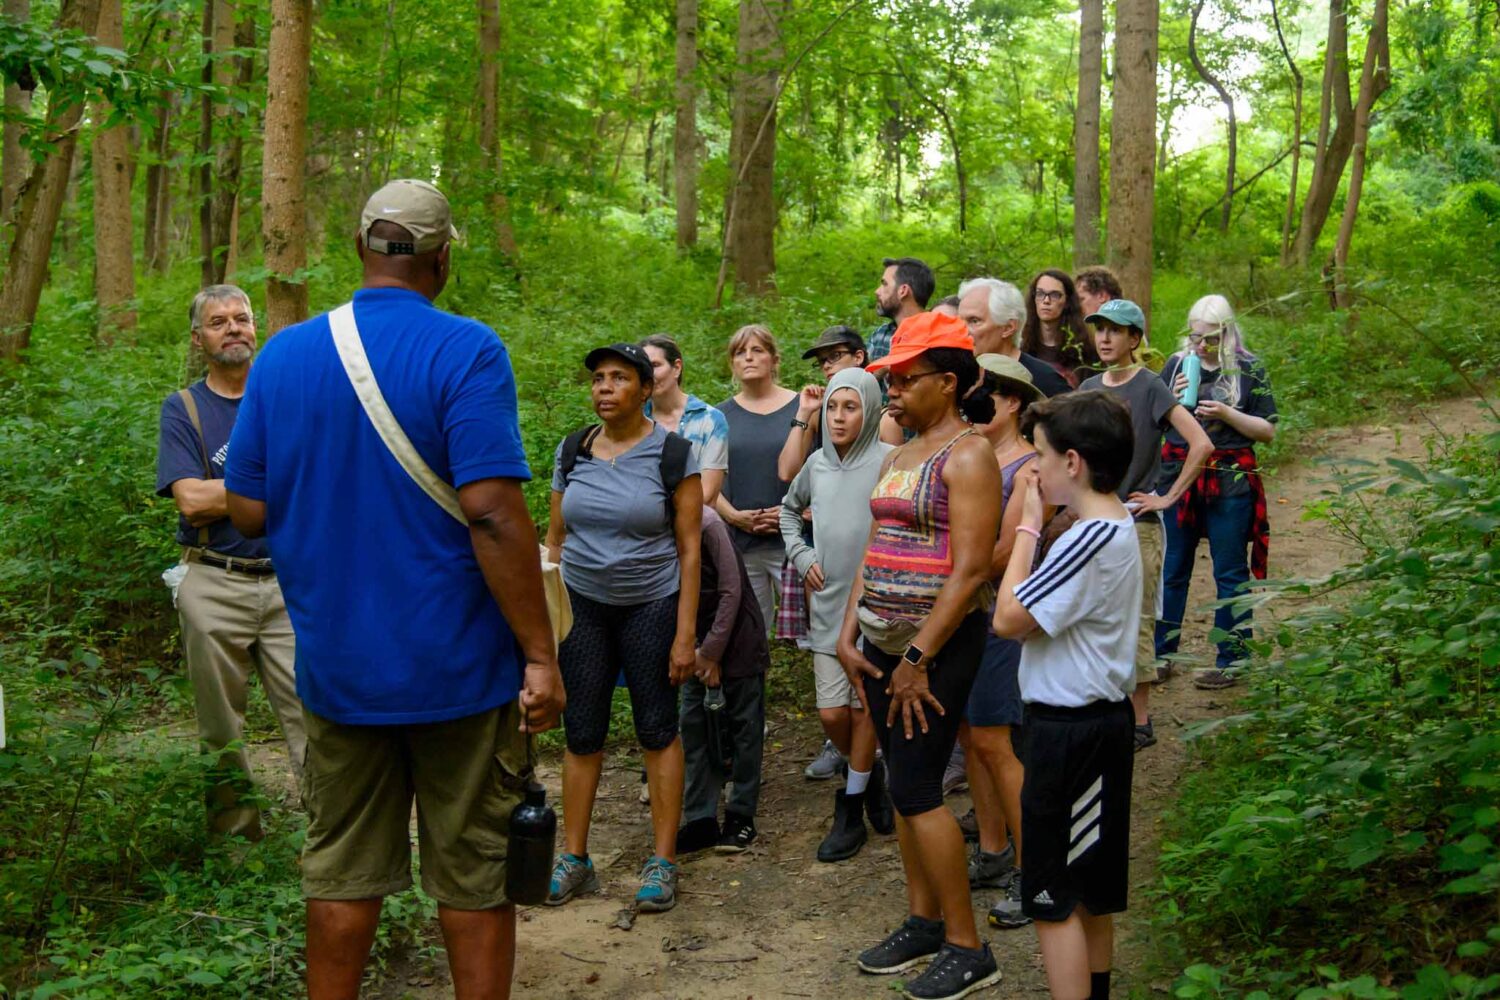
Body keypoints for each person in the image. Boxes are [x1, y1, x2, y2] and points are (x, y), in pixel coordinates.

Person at [224, 179, 565, 1000]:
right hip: (461, 672)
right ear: (443, 258)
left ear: (359, 251)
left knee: (341, 876)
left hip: (339, 675)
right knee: (475, 882)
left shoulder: (284, 355)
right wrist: (540, 655)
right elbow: (491, 514)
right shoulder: (466, 351)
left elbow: (245, 510)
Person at [840, 312, 1004, 999]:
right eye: (891, 380)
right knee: (906, 789)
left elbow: (969, 574)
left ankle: (970, 948)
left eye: (907, 380)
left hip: (932, 650)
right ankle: (923, 921)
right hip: (880, 646)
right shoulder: (898, 451)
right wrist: (849, 629)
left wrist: (916, 656)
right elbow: (873, 547)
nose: (895, 391)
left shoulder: (969, 454)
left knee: (915, 790)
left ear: (949, 381)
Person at [991, 390, 1143, 1000]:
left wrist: (1027, 524)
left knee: (1054, 897)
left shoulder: (1086, 538)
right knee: (1091, 888)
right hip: (1098, 725)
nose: (1036, 467)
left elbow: (1007, 617)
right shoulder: (1114, 522)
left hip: (1069, 733)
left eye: (1043, 454)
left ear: (1074, 462)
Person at [544, 342, 703, 912]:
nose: (604, 388)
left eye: (618, 378)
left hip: (651, 604)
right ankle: (574, 857)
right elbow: (555, 541)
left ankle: (662, 861)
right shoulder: (573, 449)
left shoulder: (674, 454)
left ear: (644, 389)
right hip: (583, 605)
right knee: (581, 731)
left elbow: (690, 549)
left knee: (657, 728)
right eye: (597, 379)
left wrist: (686, 635)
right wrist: (543, 625)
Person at [157, 284, 305, 841]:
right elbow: (190, 500)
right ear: (199, 340)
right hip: (213, 580)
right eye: (218, 322)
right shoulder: (185, 408)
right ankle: (236, 846)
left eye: (241, 318)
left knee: (314, 714)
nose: (234, 328)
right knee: (221, 728)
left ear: (256, 329)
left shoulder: (288, 399)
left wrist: (230, 490)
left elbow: (319, 479)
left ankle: (334, 839)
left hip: (291, 582)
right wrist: (273, 485)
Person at [1078, 300, 1212, 752]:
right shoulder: (1089, 386)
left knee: (1137, 617)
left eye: (1116, 331)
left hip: (1137, 523)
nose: (1105, 338)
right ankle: (1102, 707)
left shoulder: (1151, 387)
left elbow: (1200, 443)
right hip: (1090, 521)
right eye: (1100, 329)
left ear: (1135, 339)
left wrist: (1166, 497)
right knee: (1094, 616)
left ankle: (1140, 720)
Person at [781, 368, 896, 861]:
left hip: (875, 610)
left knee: (864, 708)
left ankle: (849, 805)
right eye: (831, 407)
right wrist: (803, 556)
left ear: (870, 410)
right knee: (832, 713)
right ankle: (867, 776)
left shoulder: (892, 461)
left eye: (850, 407)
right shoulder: (817, 466)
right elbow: (788, 510)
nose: (839, 417)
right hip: (827, 608)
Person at [958, 355, 1047, 927]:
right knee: (971, 737)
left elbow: (1006, 550)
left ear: (1011, 401)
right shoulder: (971, 454)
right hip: (959, 615)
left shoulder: (1028, 466)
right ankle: (993, 851)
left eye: (983, 391)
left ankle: (1033, 870)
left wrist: (946, 578)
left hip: (995, 617)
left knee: (996, 742)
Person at [1155, 295, 1276, 691]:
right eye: (1195, 337)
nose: (1201, 346)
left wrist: (1226, 413)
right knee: (1172, 569)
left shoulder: (1248, 368)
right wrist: (1172, 396)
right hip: (1178, 475)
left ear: (1226, 334)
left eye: (1209, 338)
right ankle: (1161, 656)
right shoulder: (1175, 364)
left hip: (1230, 478)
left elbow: (1267, 431)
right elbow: (1154, 421)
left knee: (1229, 571)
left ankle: (1233, 659)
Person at [676, 505, 770, 854]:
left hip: (739, 641)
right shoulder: (655, 526)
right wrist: (699, 652)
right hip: (695, 644)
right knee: (694, 727)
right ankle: (699, 818)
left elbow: (732, 591)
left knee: (745, 728)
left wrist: (713, 652)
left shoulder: (709, 524)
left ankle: (741, 815)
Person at [715, 325, 799, 632]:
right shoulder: (718, 416)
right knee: (749, 635)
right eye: (740, 352)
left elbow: (822, 470)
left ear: (775, 360)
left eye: (757, 350)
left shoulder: (804, 407)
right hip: (741, 543)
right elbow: (705, 482)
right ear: (732, 364)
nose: (748, 358)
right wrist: (735, 517)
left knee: (817, 631)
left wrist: (792, 515)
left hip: (795, 541)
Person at [641, 334, 729, 505]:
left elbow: (707, 495)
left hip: (692, 525)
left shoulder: (710, 420)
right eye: (644, 368)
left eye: (655, 365)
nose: (649, 374)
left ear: (676, 368)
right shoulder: (633, 419)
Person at [777, 325, 869, 483]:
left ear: (858, 357)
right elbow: (787, 472)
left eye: (835, 355)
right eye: (821, 361)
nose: (826, 365)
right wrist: (804, 413)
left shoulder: (883, 413)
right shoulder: (818, 412)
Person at [957, 277, 1072, 398]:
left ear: (1008, 328)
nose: (961, 329)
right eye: (958, 320)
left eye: (974, 321)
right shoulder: (954, 374)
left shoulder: (1046, 382)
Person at [1021, 270, 1099, 389]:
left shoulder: (1085, 351)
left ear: (1067, 301)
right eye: (1040, 293)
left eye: (1055, 295)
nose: (1046, 301)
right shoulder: (1021, 347)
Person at [869, 256, 936, 362]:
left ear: (903, 291)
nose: (877, 291)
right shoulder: (880, 335)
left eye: (885, 284)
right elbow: (864, 376)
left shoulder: (936, 335)